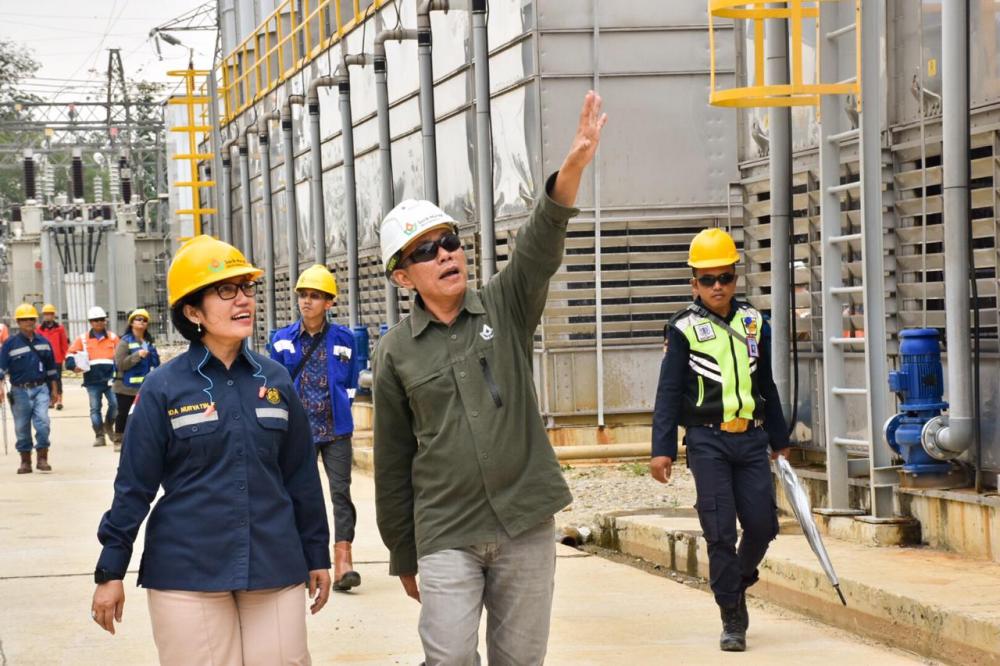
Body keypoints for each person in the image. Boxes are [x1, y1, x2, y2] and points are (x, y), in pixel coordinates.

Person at [372, 90, 606, 665]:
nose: (445, 254)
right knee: (448, 657)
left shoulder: (505, 305)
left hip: (525, 521)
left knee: (520, 660)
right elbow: (392, 461)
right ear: (402, 277)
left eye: (450, 241)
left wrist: (572, 169)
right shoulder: (395, 353)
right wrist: (403, 552)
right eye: (425, 251)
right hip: (445, 530)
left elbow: (539, 245)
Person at [91, 235, 332, 665]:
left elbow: (301, 476)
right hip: (187, 567)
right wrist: (111, 568)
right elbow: (134, 486)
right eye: (226, 290)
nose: (243, 299)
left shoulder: (275, 381)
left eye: (246, 288)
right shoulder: (163, 387)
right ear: (192, 311)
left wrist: (317, 554)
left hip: (274, 561)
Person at [650, 227, 791, 652]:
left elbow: (766, 383)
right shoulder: (683, 328)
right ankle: (732, 614)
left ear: (735, 278)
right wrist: (662, 450)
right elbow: (668, 391)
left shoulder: (753, 322)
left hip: (751, 438)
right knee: (719, 530)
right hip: (707, 440)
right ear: (694, 283)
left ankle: (737, 581)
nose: (717, 286)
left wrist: (780, 438)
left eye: (725, 277)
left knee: (763, 525)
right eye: (708, 279)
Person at [270, 264, 361, 592]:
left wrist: (341, 409)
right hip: (298, 432)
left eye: (315, 296)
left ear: (329, 302)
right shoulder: (281, 340)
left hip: (336, 430)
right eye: (303, 295)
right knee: (300, 494)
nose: (306, 301)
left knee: (340, 493)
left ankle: (343, 561)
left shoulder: (345, 339)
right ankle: (305, 559)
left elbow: (351, 383)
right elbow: (274, 386)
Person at [0, 304, 59, 474]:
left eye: (31, 319)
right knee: (21, 427)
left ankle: (42, 457)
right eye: (24, 319)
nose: (28, 322)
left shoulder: (44, 343)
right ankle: (25, 461)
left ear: (35, 321)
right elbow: (1, 369)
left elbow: (51, 369)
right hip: (19, 391)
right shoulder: (10, 344)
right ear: (18, 322)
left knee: (43, 422)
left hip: (41, 388)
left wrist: (55, 390)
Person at [66, 306, 119, 447]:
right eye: (95, 320)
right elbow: (70, 354)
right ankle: (99, 436)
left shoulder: (113, 338)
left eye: (101, 319)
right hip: (92, 381)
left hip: (110, 380)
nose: (99, 322)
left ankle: (108, 425)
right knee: (95, 409)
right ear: (90, 322)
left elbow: (121, 354)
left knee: (115, 404)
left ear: (105, 321)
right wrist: (73, 366)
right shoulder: (83, 339)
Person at [111, 308, 161, 452]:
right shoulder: (124, 342)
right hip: (125, 387)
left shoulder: (149, 342)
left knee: (142, 416)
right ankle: (118, 440)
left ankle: (138, 440)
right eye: (138, 319)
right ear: (131, 323)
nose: (142, 322)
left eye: (144, 320)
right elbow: (120, 364)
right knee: (124, 414)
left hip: (143, 387)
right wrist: (137, 355)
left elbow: (155, 363)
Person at [37, 303, 69, 410]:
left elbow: (64, 344)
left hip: (57, 359)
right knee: (46, 380)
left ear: (53, 315)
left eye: (50, 314)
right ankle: (51, 400)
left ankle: (59, 399)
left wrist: (66, 358)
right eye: (46, 314)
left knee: (57, 379)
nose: (48, 316)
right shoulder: (39, 330)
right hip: (44, 359)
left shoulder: (60, 329)